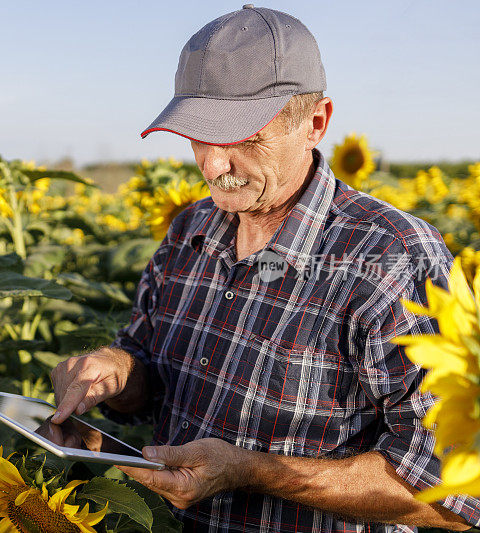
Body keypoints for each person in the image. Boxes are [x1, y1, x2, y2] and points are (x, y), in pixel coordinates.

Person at [49, 5, 480, 532]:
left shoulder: (393, 259)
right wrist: (115, 373)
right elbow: (151, 374)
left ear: (315, 123)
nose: (212, 165)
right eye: (197, 135)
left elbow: (454, 496)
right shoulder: (190, 230)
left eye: (242, 137)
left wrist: (253, 472)